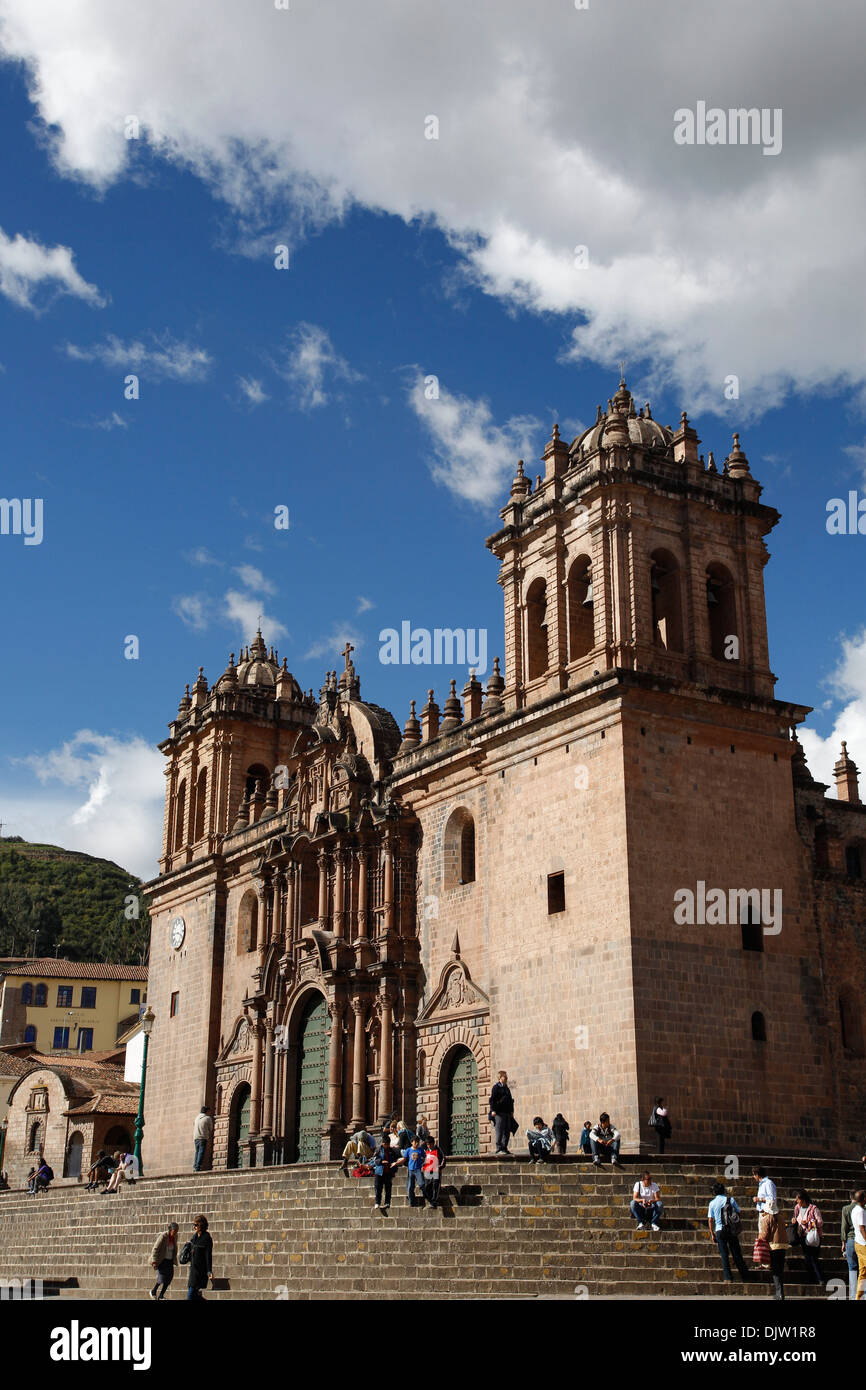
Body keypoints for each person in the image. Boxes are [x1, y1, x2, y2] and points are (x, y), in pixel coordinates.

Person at [707, 1181, 749, 1283]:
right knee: (736, 1253)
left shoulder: (712, 1203)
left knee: (724, 1254)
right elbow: (739, 1212)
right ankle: (744, 1275)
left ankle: (728, 1277)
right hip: (730, 1229)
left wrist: (712, 1234)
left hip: (719, 1230)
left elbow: (710, 1220)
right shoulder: (730, 1200)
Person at [791, 1189, 823, 1285]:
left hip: (813, 1236)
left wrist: (810, 1222)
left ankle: (820, 1278)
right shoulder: (797, 1208)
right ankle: (811, 1278)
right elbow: (795, 1218)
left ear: (803, 1199)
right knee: (807, 1258)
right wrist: (794, 1220)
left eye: (798, 1199)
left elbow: (820, 1222)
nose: (797, 1201)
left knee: (813, 1258)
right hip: (803, 1236)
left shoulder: (814, 1209)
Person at [186, 1215, 213, 1301]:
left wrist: (209, 1270)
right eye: (193, 1225)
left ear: (201, 1225)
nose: (194, 1227)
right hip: (193, 1269)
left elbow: (208, 1255)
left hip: (201, 1270)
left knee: (191, 1295)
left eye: (196, 1225)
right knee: (194, 1294)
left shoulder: (206, 1238)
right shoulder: (194, 1237)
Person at [150, 1222, 179, 1300]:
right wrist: (154, 1261)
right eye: (174, 1230)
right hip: (162, 1260)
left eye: (177, 1230)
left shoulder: (175, 1236)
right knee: (162, 1278)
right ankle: (153, 1291)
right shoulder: (163, 1236)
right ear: (170, 1230)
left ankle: (161, 1295)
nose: (176, 1232)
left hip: (170, 1260)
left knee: (169, 1278)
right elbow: (155, 1248)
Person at [489, 1071, 515, 1155]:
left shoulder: (506, 1088)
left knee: (507, 1131)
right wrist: (493, 1110)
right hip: (499, 1113)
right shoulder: (496, 1087)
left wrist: (511, 1111)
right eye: (504, 1077)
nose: (506, 1078)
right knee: (499, 1130)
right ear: (500, 1077)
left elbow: (510, 1100)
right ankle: (498, 1148)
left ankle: (504, 1147)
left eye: (506, 1077)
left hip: (507, 1112)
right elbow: (492, 1099)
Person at [842, 1190, 861, 1301]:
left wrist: (843, 1242)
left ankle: (853, 1295)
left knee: (852, 1268)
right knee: (862, 1268)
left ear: (850, 1197)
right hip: (861, 1239)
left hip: (850, 1239)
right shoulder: (862, 1208)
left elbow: (844, 1227)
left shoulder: (846, 1209)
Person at [372, 1133, 399, 1212]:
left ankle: (387, 1202)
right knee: (378, 1187)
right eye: (384, 1144)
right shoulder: (378, 1149)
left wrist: (393, 1166)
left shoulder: (391, 1150)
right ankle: (377, 1202)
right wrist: (381, 1161)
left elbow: (395, 1159)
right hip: (380, 1171)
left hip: (388, 1171)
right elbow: (374, 1159)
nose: (385, 1145)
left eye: (387, 1144)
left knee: (388, 1187)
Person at [400, 1135, 427, 1205]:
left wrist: (424, 1165)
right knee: (410, 1187)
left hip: (418, 1169)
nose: (417, 1143)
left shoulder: (420, 1149)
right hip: (411, 1170)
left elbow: (425, 1158)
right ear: (412, 1142)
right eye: (415, 1142)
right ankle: (411, 1202)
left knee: (421, 1184)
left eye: (418, 1142)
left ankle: (426, 1196)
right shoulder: (408, 1150)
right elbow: (404, 1159)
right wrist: (397, 1163)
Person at [850, 1190, 866, 1299]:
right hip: (863, 1243)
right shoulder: (861, 1211)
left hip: (858, 1242)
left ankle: (858, 1296)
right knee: (863, 1271)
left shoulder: (854, 1209)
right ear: (864, 1199)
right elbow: (862, 1228)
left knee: (863, 1271)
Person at [422, 1136, 444, 1207]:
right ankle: (430, 1200)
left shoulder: (438, 1150)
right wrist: (423, 1166)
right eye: (428, 1144)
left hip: (435, 1171)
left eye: (430, 1144)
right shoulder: (425, 1150)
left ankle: (434, 1201)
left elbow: (443, 1158)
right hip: (427, 1170)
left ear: (433, 1143)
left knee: (435, 1186)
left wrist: (440, 1167)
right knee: (426, 1186)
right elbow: (423, 1159)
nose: (429, 1146)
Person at [193, 1106, 213, 1171]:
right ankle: (198, 1166)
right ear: (207, 1111)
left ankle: (195, 1165)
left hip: (196, 1137)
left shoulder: (196, 1118)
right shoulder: (207, 1118)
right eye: (209, 1111)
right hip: (202, 1137)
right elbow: (211, 1128)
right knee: (201, 1152)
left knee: (197, 1151)